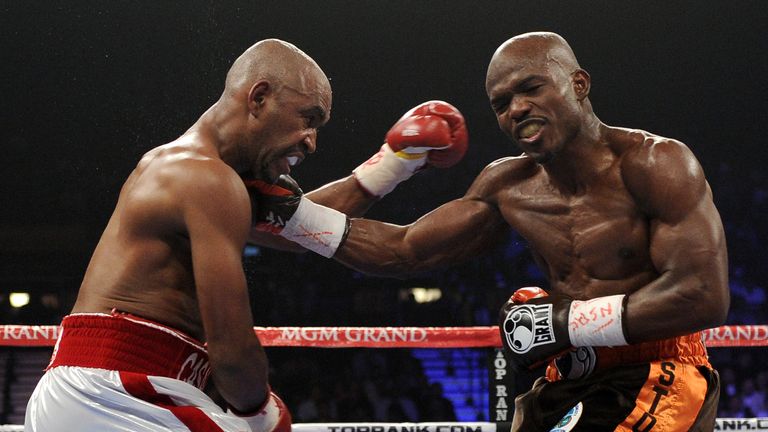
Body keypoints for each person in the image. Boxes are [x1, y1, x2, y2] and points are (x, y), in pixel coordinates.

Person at [254, 32, 729, 431]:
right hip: (567, 377)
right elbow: (405, 251)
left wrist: (563, 323)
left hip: (659, 369)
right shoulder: (508, 185)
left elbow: (703, 295)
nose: (516, 109)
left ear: (578, 84)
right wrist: (295, 215)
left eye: (531, 89)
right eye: (501, 104)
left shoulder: (656, 164)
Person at [24, 37, 468, 432]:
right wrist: (259, 410)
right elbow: (232, 350)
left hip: (105, 388)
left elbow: (308, 227)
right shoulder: (208, 181)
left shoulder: (202, 175)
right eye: (307, 118)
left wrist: (395, 162)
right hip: (117, 394)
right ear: (258, 98)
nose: (311, 142)